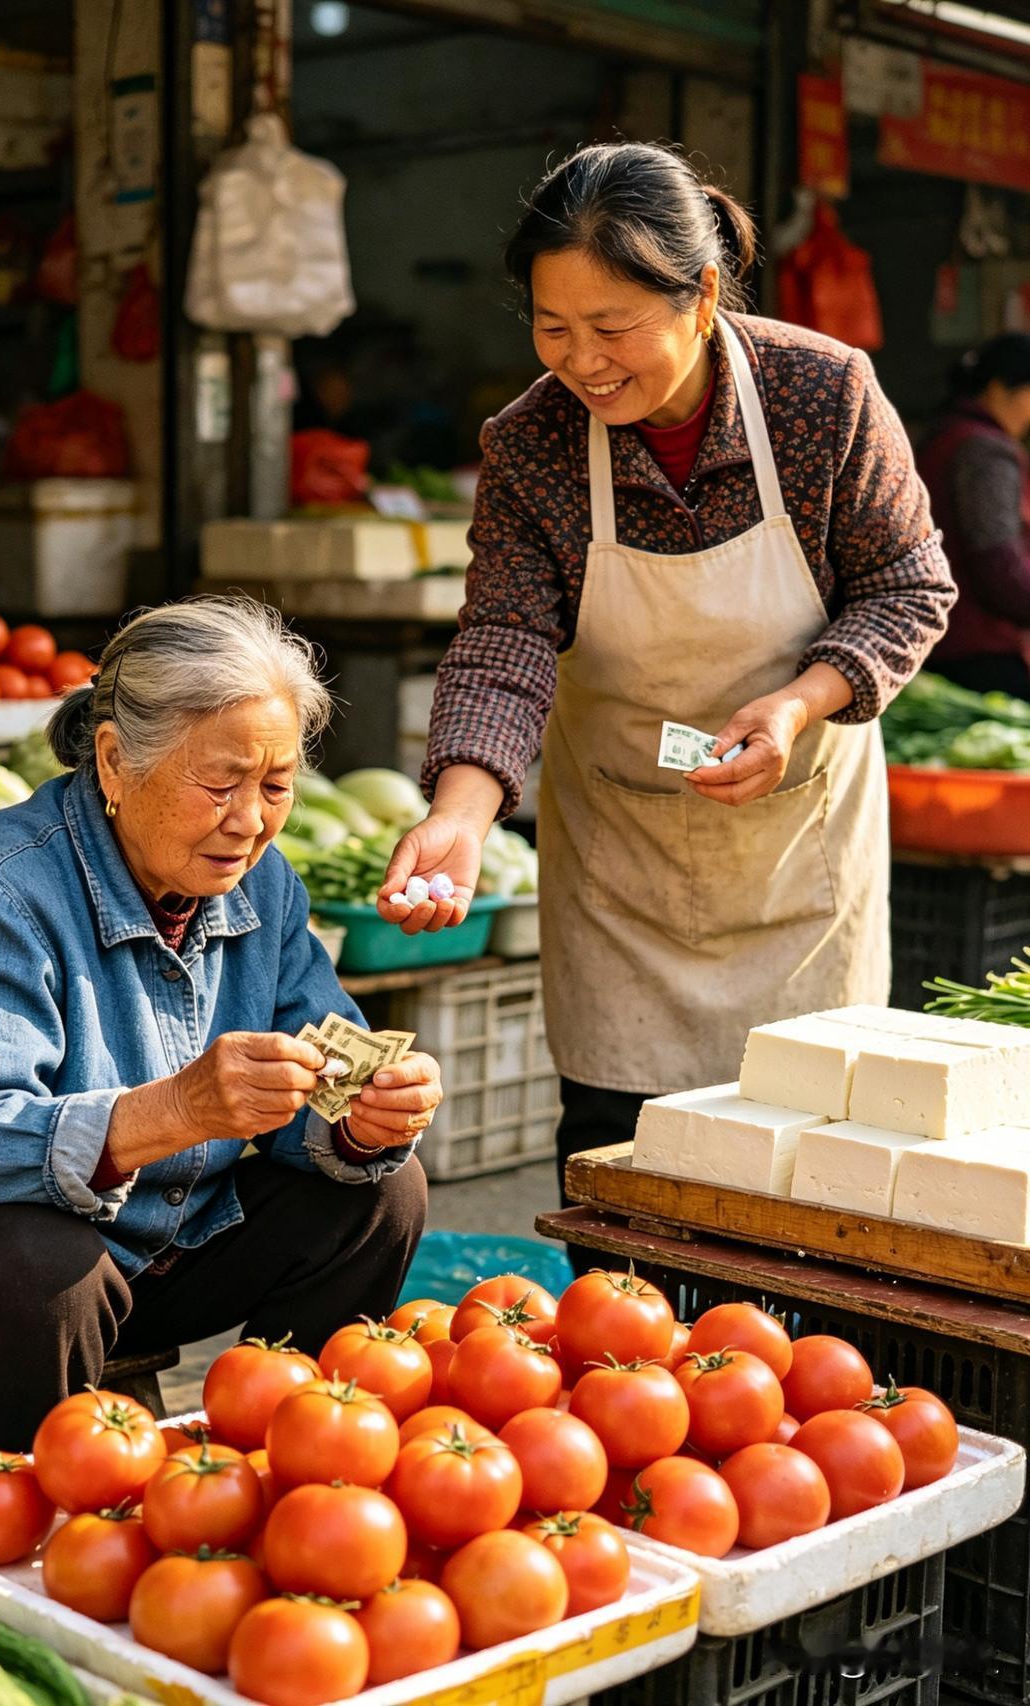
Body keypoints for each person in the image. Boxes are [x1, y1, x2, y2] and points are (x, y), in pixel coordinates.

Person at [377, 143, 954, 1260]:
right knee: (620, 1175)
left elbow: (906, 583)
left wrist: (797, 704)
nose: (581, 362)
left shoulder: (820, 394)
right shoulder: (530, 441)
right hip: (621, 862)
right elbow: (502, 638)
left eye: (611, 327)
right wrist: (457, 812)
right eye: (552, 327)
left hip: (796, 849)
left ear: (697, 295)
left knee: (806, 1178)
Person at [0, 598, 439, 1455]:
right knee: (39, 1264)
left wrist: (363, 1121)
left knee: (381, 1196)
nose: (251, 821)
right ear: (114, 761)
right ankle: (17, 1526)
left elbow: (312, 1089)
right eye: (220, 783)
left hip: (161, 1241)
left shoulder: (267, 884)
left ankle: (290, 1466)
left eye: (277, 786)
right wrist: (179, 1110)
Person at [918, 333, 1030, 697]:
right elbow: (997, 563)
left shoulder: (944, 434)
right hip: (978, 652)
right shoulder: (982, 450)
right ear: (1000, 387)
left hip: (943, 642)